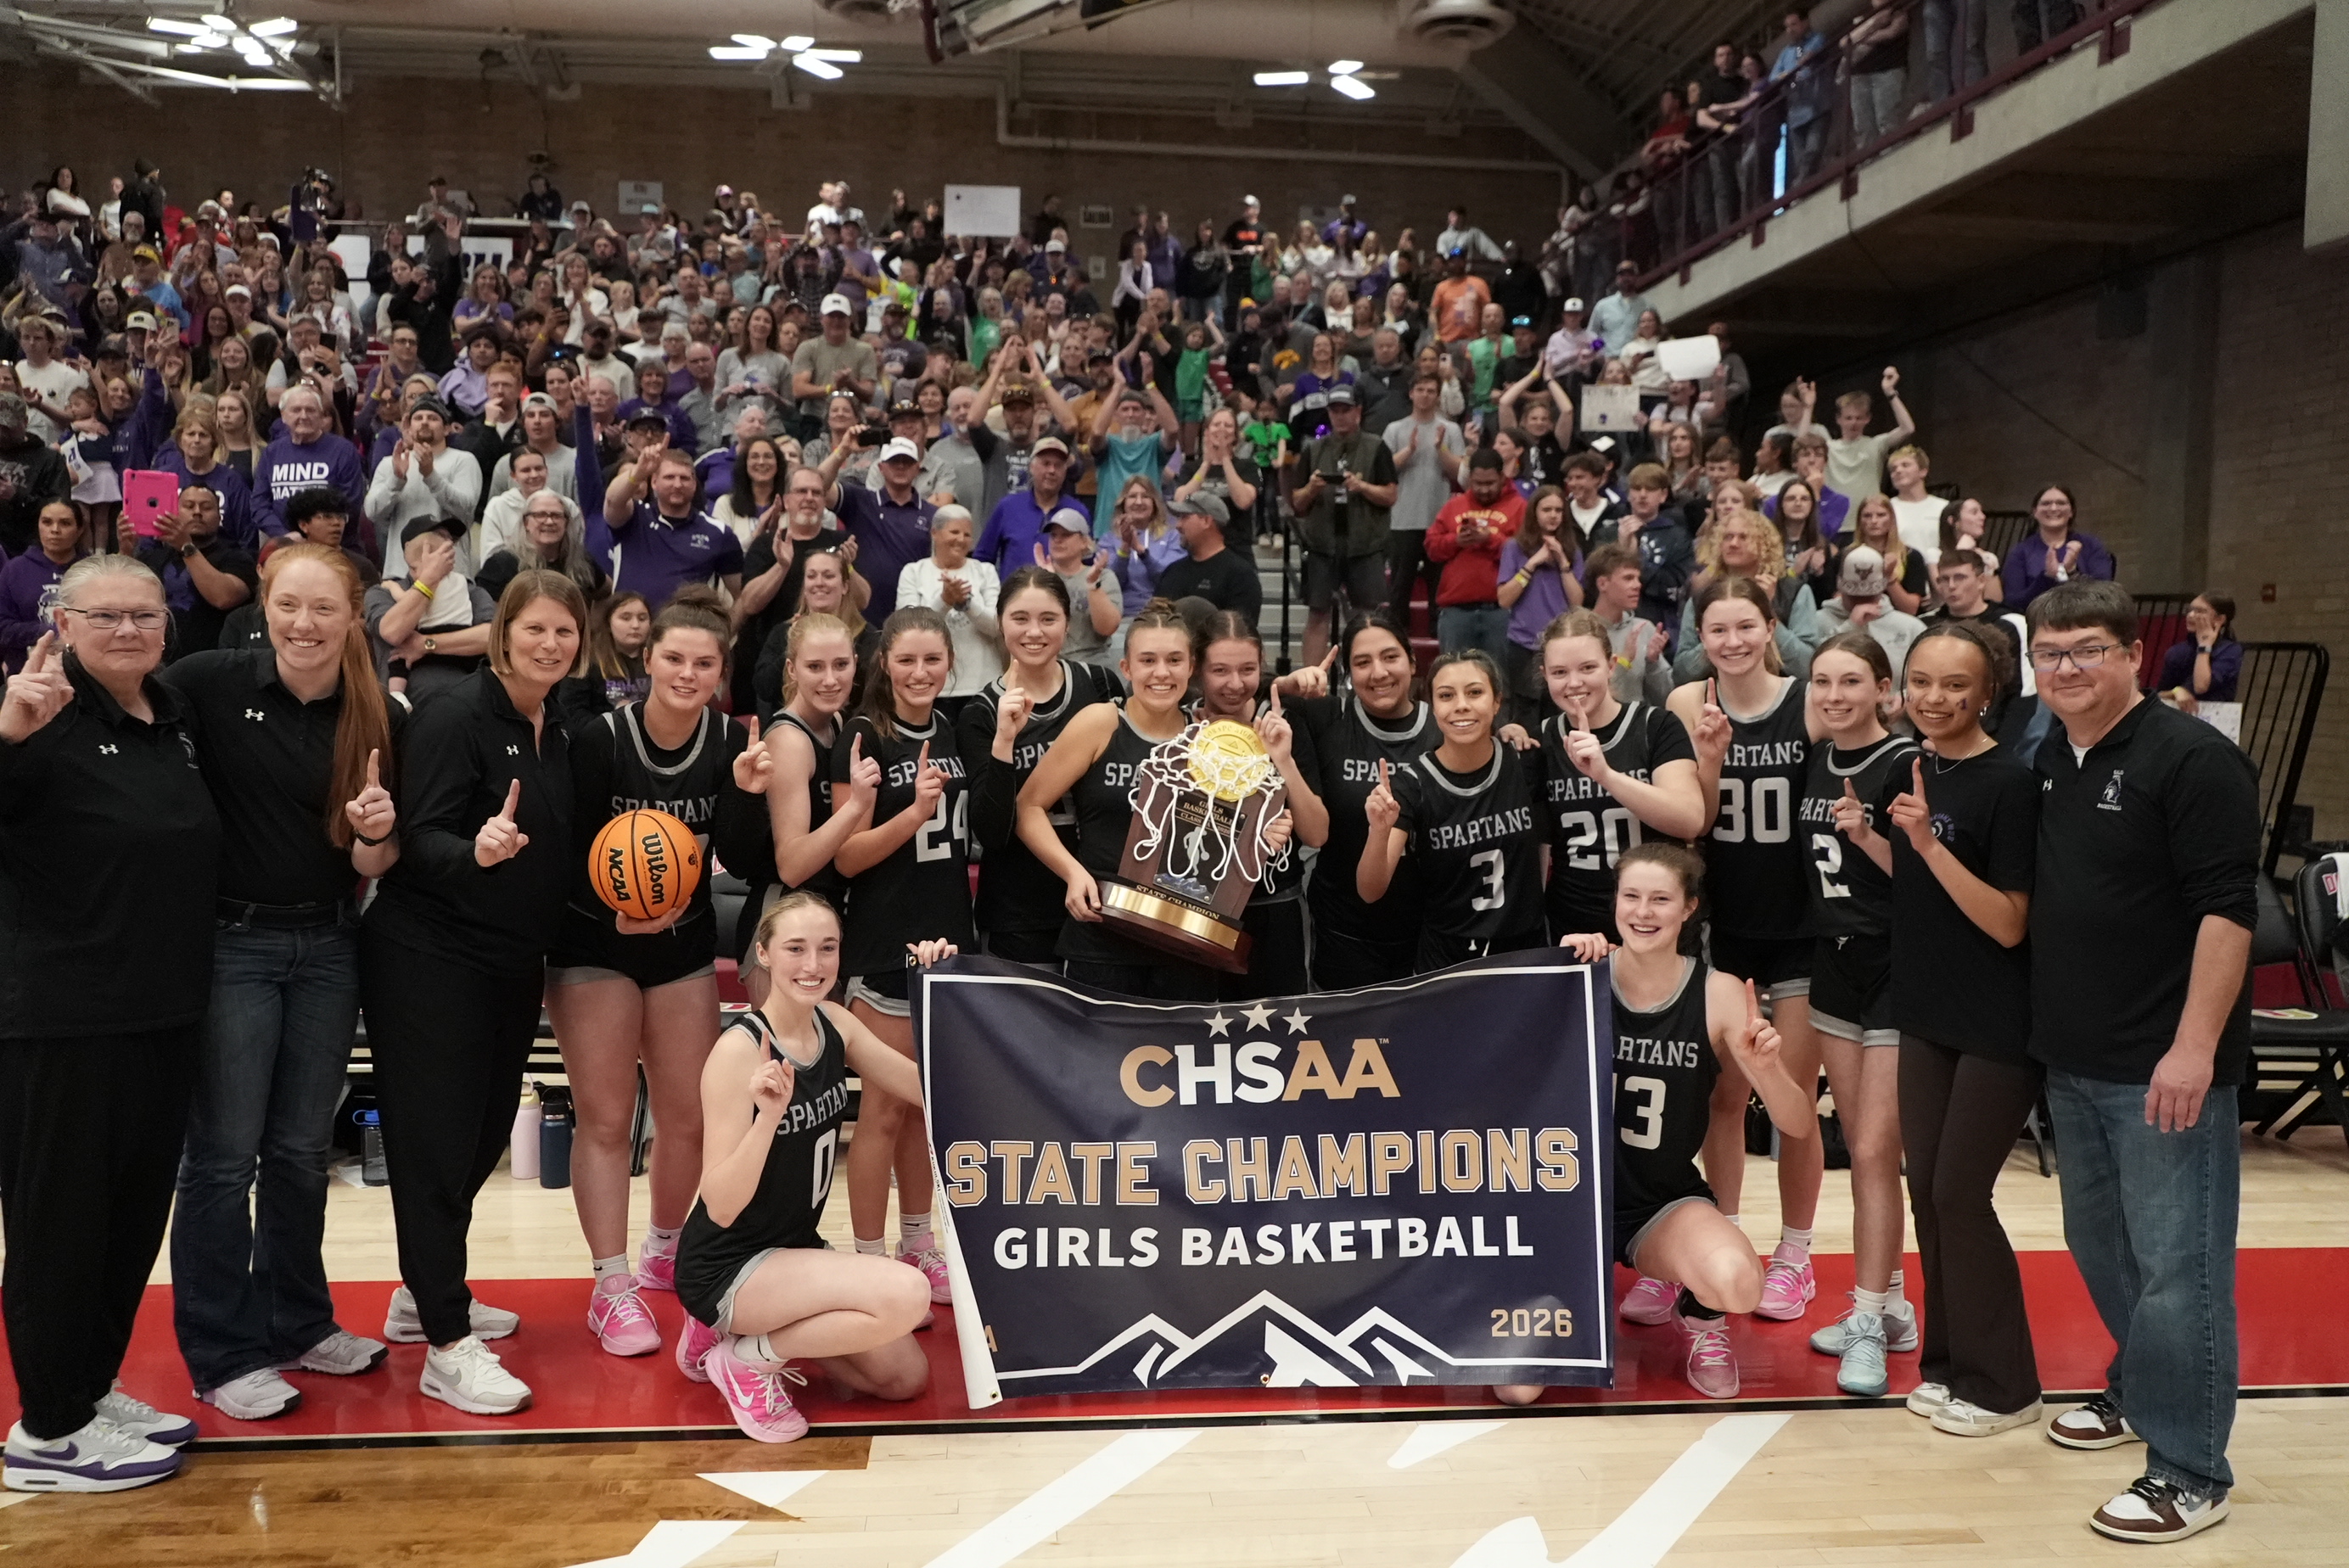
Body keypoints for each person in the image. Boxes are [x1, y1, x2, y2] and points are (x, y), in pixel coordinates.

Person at [2025, 580, 2257, 1545]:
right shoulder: (2051, 757)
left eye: (2084, 650)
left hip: (2162, 1066)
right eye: (2048, 653)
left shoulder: (2191, 758)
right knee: (2101, 1248)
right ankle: (2137, 1387)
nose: (2064, 669)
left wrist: (2193, 1050)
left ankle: (2188, 1470)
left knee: (2178, 1270)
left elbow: (2225, 909)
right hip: (2072, 1058)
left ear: (2130, 654)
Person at [156, 543, 401, 1422]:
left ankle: (299, 1322)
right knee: (221, 1160)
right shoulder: (210, 683)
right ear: (263, 605)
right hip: (234, 947)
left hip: (331, 947)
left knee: (300, 1154)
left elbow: (375, 857)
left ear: (352, 617)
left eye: (323, 609)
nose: (304, 625)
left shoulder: (373, 712)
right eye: (288, 606)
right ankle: (222, 1354)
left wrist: (376, 830)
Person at [0, 565, 213, 1492]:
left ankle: (86, 1390)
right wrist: (6, 734)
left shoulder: (169, 718)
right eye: (105, 616)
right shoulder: (39, 715)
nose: (126, 630)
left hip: (160, 1013)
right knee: (59, 1226)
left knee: (127, 1222)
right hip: (60, 1020)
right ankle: (45, 1433)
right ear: (63, 623)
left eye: (143, 614)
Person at [359, 570, 586, 1416]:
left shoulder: (557, 727)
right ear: (502, 634)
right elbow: (417, 841)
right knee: (433, 1144)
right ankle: (448, 1346)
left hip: (508, 961)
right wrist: (476, 851)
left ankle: (423, 1298)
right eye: (535, 630)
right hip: (429, 957)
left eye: (565, 632)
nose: (550, 645)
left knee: (481, 1136)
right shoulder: (457, 714)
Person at [549, 590, 774, 1358]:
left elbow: (741, 861)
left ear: (721, 672)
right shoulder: (598, 740)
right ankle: (610, 1286)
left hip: (680, 944)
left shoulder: (726, 742)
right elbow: (563, 848)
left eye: (703, 663)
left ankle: (664, 1246)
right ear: (647, 662)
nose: (687, 672)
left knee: (687, 1116)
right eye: (673, 658)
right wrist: (610, 912)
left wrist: (745, 793)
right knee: (608, 1118)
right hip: (595, 941)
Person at [1519, 846, 1820, 1403]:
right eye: (1631, 896)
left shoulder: (1720, 993)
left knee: (1738, 1282)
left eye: (1661, 899)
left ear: (1689, 909)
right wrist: (1553, 970)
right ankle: (1572, 1294)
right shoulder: (1577, 975)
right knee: (1520, 1392)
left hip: (1656, 1204)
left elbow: (1797, 1124)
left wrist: (1765, 1069)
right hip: (1563, 1207)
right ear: (1614, 904)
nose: (1643, 912)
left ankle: (1701, 1321)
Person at [674, 894, 939, 1441]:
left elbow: (924, 1088)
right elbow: (720, 1203)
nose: (813, 966)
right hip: (728, 1263)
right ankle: (745, 1359)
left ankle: (734, 1337)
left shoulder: (835, 1022)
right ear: (764, 955)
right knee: (908, 1294)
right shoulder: (738, 1052)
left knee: (903, 1379)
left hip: (793, 1249)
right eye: (795, 949)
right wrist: (767, 1120)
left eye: (827, 949)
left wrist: (938, 997)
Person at [1882, 622, 2044, 1438]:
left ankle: (2008, 1385)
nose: (1935, 698)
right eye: (1922, 681)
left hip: (1994, 1020)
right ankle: (1948, 1367)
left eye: (1955, 685)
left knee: (1959, 1194)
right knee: (1926, 1193)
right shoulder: (1917, 769)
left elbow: (2010, 923)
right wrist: (1880, 844)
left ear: (1988, 692)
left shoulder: (2010, 783)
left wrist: (1921, 843)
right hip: (1925, 1011)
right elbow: (1923, 883)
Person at [1664, 578, 1825, 1327]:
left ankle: (1795, 1254)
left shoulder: (1809, 700)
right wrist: (1711, 760)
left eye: (1745, 627)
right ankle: (1717, 1240)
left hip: (1800, 925)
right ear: (1701, 637)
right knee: (1723, 1100)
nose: (1731, 642)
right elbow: (1692, 823)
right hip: (1722, 929)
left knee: (1791, 1100)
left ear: (1770, 629)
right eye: (1716, 630)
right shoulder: (1685, 702)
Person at [1018, 599, 1287, 1000]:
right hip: (1101, 935)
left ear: (1191, 667)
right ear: (1126, 668)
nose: (1162, 673)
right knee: (1098, 1061)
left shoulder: (1211, 739)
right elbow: (1028, 808)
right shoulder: (1101, 723)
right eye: (1148, 661)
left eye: (1175, 660)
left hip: (1185, 943)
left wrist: (1266, 834)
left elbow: (1225, 836)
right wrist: (1073, 874)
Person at [1793, 631, 1921, 1396]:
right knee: (1857, 1143)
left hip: (1897, 964)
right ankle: (1892, 1303)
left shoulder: (1904, 762)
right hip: (1833, 965)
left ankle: (1868, 1319)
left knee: (1875, 1148)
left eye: (1851, 682)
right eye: (1822, 682)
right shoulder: (1819, 759)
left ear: (1883, 688)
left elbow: (1929, 877)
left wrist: (1869, 837)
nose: (1835, 695)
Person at [833, 608, 972, 1307]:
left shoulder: (952, 728)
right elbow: (847, 856)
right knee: (883, 1112)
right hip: (885, 943)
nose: (921, 673)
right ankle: (866, 1259)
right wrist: (912, 814)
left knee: (925, 1111)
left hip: (947, 943)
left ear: (951, 662)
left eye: (933, 660)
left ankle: (919, 1244)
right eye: (907, 660)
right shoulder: (862, 734)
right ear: (883, 662)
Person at [1359, 651, 1545, 972]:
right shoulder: (1412, 784)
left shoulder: (1525, 761)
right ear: (1433, 706)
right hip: (1447, 960)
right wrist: (1378, 831)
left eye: (1475, 692)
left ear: (1497, 701)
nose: (1461, 705)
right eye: (1446, 695)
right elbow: (1370, 890)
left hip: (1525, 953)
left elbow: (1544, 852)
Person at [1533, 611, 1707, 942]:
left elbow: (1689, 819)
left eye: (1588, 668)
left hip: (1655, 920)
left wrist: (1607, 776)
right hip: (1577, 927)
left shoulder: (1655, 726)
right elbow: (1539, 846)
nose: (1574, 683)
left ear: (1611, 665)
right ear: (1545, 675)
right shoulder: (1542, 739)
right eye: (1559, 672)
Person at [1292, 612, 1442, 986]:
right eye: (1362, 662)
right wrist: (1289, 681)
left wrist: (1513, 730)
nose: (1378, 673)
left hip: (1429, 930)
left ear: (1412, 660)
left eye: (1390, 657)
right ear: (1347, 674)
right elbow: (1250, 698)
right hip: (1344, 933)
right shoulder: (1327, 717)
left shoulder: (1445, 726)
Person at [743, 611, 881, 1003]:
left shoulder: (837, 722)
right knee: (789, 1061)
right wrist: (855, 808)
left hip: (823, 917)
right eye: (815, 667)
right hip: (781, 917)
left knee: (823, 1061)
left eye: (841, 665)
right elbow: (792, 864)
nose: (830, 679)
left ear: (857, 663)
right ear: (791, 668)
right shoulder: (789, 740)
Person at [1192, 613, 1320, 1000]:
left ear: (1262, 665)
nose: (1235, 684)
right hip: (1197, 913)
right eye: (1220, 670)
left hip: (1276, 909)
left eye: (1248, 669)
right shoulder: (1182, 726)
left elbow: (1317, 833)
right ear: (1198, 669)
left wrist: (1283, 760)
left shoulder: (1284, 723)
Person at [1289, 386, 1397, 665]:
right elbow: (1297, 502)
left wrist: (1362, 487)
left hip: (1365, 545)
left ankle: (1365, 672)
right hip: (1322, 545)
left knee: (1367, 617)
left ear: (1358, 412)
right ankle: (1312, 679)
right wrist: (1312, 488)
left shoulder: (1376, 446)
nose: (1339, 416)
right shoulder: (1313, 449)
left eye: (1345, 410)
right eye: (1334, 411)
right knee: (1317, 613)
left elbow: (1390, 495)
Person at [126, 482, 258, 657]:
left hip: (212, 661)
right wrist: (126, 551)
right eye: (189, 506)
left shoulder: (238, 558)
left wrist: (186, 547)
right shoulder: (152, 558)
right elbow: (123, 598)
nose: (197, 512)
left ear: (219, 518)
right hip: (156, 660)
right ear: (176, 513)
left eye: (207, 507)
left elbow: (224, 598)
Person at [894, 505, 1002, 714]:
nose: (961, 540)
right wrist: (944, 600)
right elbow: (907, 630)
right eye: (954, 532)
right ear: (935, 533)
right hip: (932, 688)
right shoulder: (914, 572)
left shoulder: (985, 572)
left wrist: (967, 604)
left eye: (967, 534)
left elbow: (998, 626)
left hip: (982, 686)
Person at [1383, 373, 1468, 629]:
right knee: (1399, 590)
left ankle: (1439, 644)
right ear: (1411, 393)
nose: (1425, 395)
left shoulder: (1450, 429)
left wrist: (1441, 449)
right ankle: (1397, 641)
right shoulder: (1395, 429)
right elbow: (1383, 472)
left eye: (1431, 390)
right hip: (1403, 519)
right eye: (1420, 389)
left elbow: (1460, 476)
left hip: (1439, 522)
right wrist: (1409, 450)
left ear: (1438, 395)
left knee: (1439, 590)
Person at [1426, 449, 1526, 664]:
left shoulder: (1519, 507)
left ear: (1502, 477)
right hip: (1455, 611)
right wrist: (1456, 541)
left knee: (1499, 681)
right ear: (1470, 478)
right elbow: (1431, 547)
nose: (1483, 489)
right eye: (1478, 483)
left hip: (1501, 612)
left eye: (1490, 483)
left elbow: (1525, 554)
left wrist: (1490, 539)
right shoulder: (1454, 506)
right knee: (1453, 675)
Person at [1495, 486, 1584, 725]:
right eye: (1547, 509)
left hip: (1559, 645)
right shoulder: (1515, 548)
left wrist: (1563, 562)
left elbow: (1577, 603)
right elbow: (1504, 599)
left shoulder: (1573, 552)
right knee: (1525, 712)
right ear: (1534, 512)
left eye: (1558, 510)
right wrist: (1532, 564)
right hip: (1523, 645)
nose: (1553, 515)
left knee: (1558, 711)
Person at [0, 501, 85, 673]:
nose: (55, 530)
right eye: (47, 522)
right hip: (28, 673)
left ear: (80, 530)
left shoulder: (93, 569)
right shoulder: (15, 570)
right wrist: (52, 631)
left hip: (85, 674)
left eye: (65, 523)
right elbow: (3, 629)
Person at [2002, 484, 2112, 610]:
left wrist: (2072, 573)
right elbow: (2012, 602)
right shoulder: (2020, 552)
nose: (2053, 508)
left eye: (2061, 503)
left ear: (2071, 512)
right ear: (2035, 512)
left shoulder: (2090, 545)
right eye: (2046, 503)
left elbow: (2105, 592)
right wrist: (2047, 578)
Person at [2156, 593, 2240, 712]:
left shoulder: (2230, 651)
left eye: (2200, 611)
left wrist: (2204, 646)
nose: (2191, 615)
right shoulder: (2176, 652)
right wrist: (2176, 692)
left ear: (2220, 619)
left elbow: (2200, 686)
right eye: (2190, 610)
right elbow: (2160, 694)